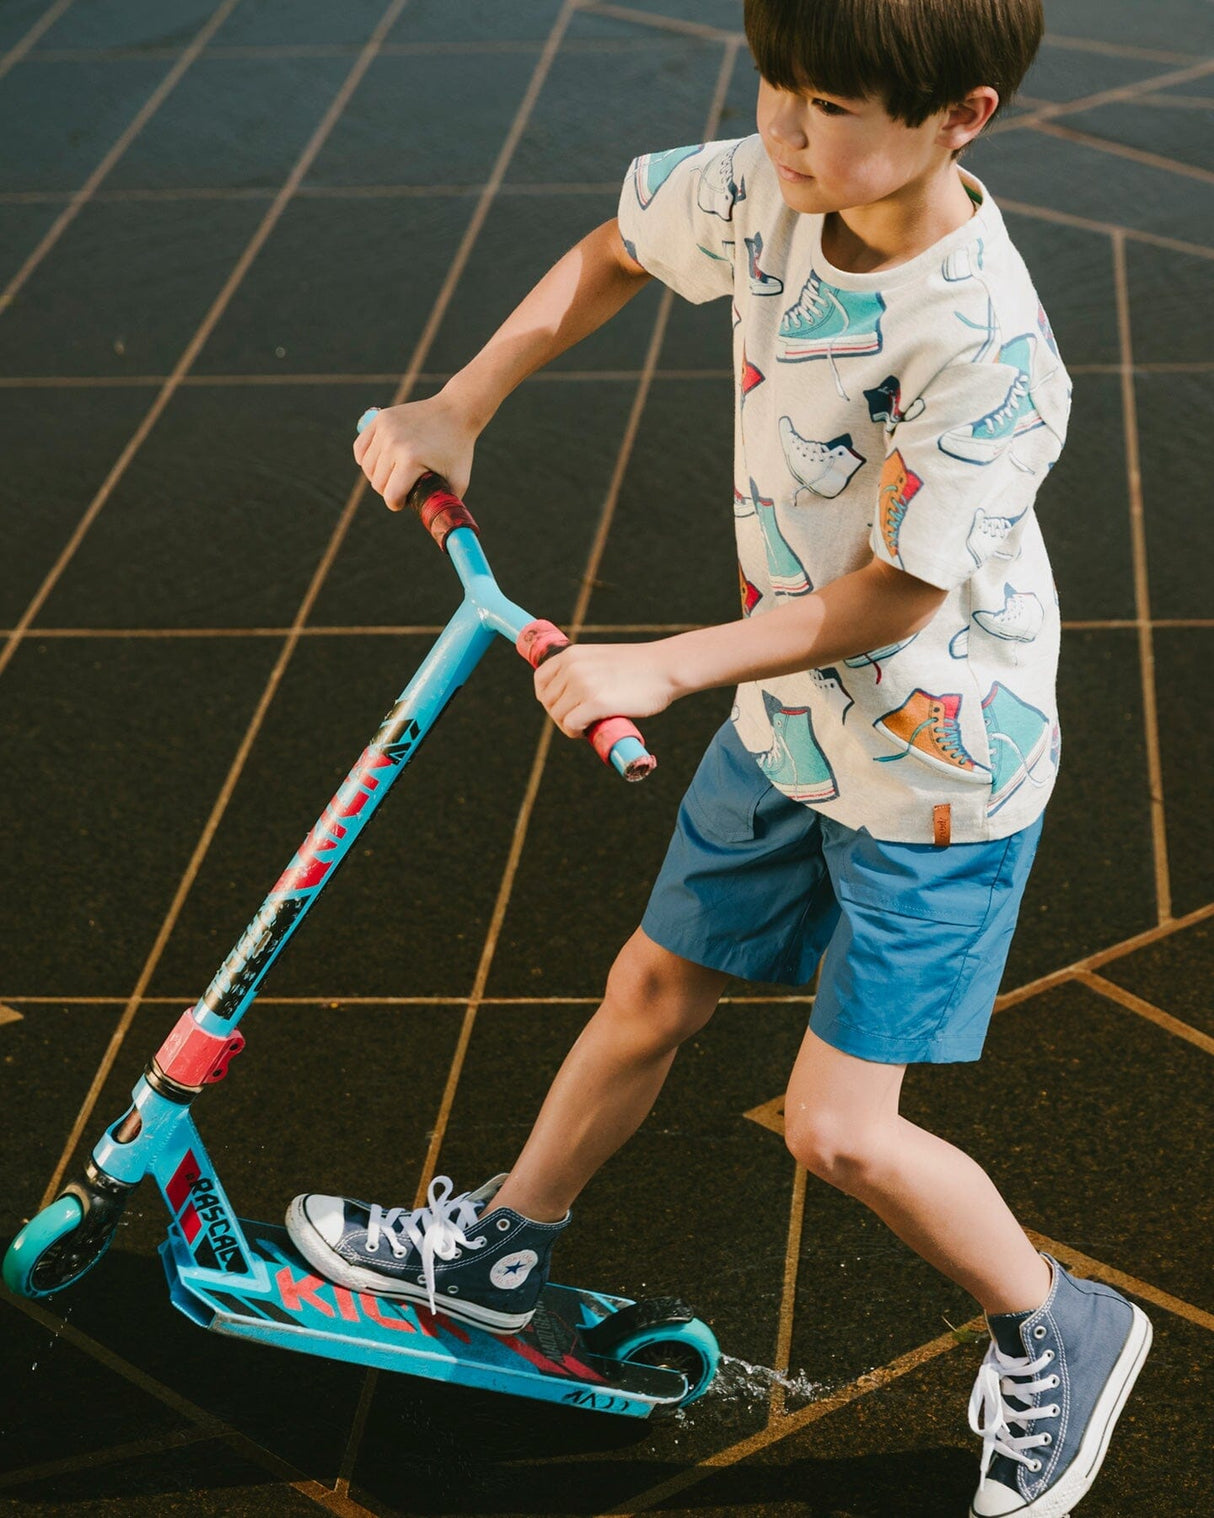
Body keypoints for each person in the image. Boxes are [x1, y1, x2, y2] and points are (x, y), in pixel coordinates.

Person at [286, 1, 1151, 1510]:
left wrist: (666, 659)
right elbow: (615, 250)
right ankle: (505, 1242)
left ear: (963, 115)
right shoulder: (772, 185)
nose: (781, 127)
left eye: (825, 103)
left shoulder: (987, 345)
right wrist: (459, 402)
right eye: (768, 85)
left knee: (838, 1132)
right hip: (787, 718)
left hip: (935, 771)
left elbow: (889, 591)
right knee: (651, 987)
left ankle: (1062, 1321)